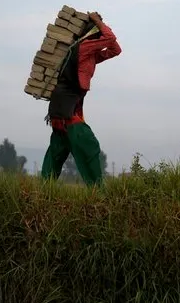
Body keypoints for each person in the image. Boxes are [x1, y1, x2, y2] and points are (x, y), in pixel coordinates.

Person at [41, 12, 121, 186]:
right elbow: (110, 38)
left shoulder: (89, 55)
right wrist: (98, 22)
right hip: (65, 109)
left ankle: (43, 190)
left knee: (57, 151)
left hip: (64, 109)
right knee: (89, 146)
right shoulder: (84, 48)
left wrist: (100, 25)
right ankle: (97, 190)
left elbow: (116, 49)